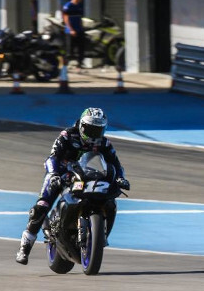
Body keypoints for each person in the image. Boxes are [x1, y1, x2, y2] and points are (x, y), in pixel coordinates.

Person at [15, 107, 130, 265]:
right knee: (41, 206)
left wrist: (120, 178)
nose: (94, 134)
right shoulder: (67, 136)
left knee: (110, 199)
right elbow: (52, 158)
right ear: (82, 126)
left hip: (88, 174)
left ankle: (98, 235)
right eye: (91, 129)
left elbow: (115, 164)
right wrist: (54, 174)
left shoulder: (104, 143)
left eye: (98, 130)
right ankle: (25, 247)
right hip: (62, 173)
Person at [62, 0, 85, 67]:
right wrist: (71, 29)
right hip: (70, 31)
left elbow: (80, 18)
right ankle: (66, 64)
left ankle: (79, 63)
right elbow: (65, 18)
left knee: (81, 47)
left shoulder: (79, 5)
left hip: (79, 29)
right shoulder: (68, 5)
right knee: (70, 49)